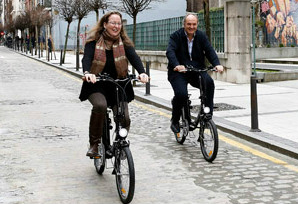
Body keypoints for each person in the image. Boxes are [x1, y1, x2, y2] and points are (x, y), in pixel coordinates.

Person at [79, 11, 149, 158]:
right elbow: (87, 58)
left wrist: (142, 72)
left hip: (118, 84)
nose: (116, 26)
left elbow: (134, 58)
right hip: (97, 83)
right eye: (113, 23)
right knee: (100, 106)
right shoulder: (93, 41)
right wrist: (87, 73)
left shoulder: (124, 43)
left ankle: (120, 143)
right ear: (105, 24)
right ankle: (95, 144)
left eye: (119, 23)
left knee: (124, 117)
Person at [166, 14, 224, 133]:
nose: (191, 27)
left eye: (194, 24)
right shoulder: (176, 36)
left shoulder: (201, 36)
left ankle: (207, 114)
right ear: (184, 25)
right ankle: (175, 120)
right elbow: (170, 51)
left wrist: (217, 64)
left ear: (197, 24)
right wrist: (177, 65)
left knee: (209, 83)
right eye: (189, 24)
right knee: (181, 94)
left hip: (196, 70)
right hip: (179, 71)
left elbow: (209, 50)